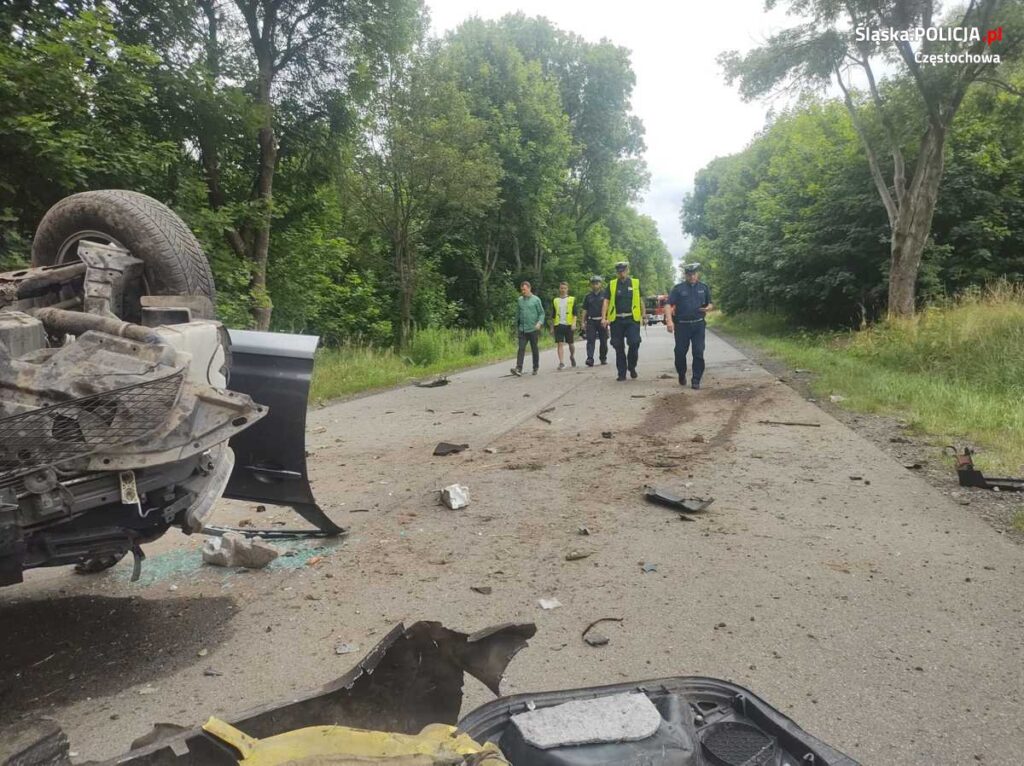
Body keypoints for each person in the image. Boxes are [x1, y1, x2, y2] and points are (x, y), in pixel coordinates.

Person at [665, 262, 714, 389]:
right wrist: (669, 321)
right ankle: (681, 373)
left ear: (697, 274)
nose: (692, 277)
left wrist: (708, 308)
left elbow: (710, 303)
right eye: (689, 274)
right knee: (680, 352)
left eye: (694, 274)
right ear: (685, 275)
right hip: (682, 326)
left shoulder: (703, 287)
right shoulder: (678, 288)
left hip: (698, 325)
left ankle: (696, 379)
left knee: (698, 352)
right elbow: (667, 304)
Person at [601, 261, 642, 381]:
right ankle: (621, 373)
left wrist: (643, 315)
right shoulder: (612, 284)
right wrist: (604, 317)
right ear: (617, 272)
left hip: (632, 319)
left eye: (623, 270)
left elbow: (640, 300)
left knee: (634, 342)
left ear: (627, 270)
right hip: (617, 319)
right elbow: (606, 301)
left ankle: (632, 366)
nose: (621, 273)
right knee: (618, 346)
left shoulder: (635, 283)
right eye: (619, 271)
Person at [511, 280, 544, 376]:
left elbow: (541, 313)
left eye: (524, 289)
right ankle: (518, 368)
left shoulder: (536, 300)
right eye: (521, 290)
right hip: (522, 329)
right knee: (521, 348)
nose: (523, 292)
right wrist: (515, 326)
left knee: (534, 348)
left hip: (533, 328)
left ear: (529, 288)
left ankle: (535, 367)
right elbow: (517, 314)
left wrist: (539, 322)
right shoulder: (520, 300)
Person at [580, 275, 608, 367]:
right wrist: (582, 322)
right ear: (591, 285)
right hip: (591, 321)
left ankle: (603, 358)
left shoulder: (605, 295)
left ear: (600, 284)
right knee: (590, 340)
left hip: (602, 320)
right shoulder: (588, 296)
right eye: (593, 283)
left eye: (597, 283)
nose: (595, 285)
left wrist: (608, 319)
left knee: (603, 341)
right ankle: (590, 358)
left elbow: (609, 307)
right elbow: (584, 310)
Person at [551, 281, 577, 370]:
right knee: (560, 343)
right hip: (558, 324)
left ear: (567, 289)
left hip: (569, 324)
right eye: (561, 288)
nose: (563, 290)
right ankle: (561, 362)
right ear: (559, 289)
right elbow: (553, 315)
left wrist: (574, 323)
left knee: (571, 344)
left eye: (564, 288)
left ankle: (572, 356)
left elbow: (575, 313)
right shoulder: (555, 300)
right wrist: (552, 327)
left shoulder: (572, 299)